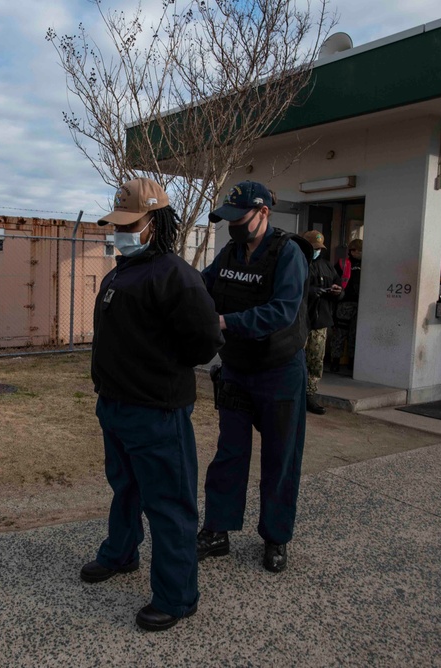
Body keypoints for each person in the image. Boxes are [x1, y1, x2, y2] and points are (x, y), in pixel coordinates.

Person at [81, 177, 224, 632]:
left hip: (158, 413)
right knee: (125, 488)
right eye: (117, 224)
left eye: (131, 223)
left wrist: (158, 370)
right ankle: (121, 554)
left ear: (155, 223)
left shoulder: (176, 276)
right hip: (116, 407)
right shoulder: (120, 271)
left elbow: (205, 342)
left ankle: (177, 596)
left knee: (169, 504)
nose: (120, 232)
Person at [197, 181, 312, 573]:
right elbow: (204, 286)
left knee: (280, 457)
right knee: (229, 453)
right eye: (228, 219)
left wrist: (225, 321)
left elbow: (282, 311)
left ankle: (276, 537)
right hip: (236, 370)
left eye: (239, 218)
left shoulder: (288, 254)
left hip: (279, 372)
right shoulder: (230, 252)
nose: (233, 226)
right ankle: (217, 530)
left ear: (264, 213)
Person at [301, 230, 343, 414]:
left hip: (320, 322)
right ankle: (294, 393)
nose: (317, 251)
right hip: (300, 322)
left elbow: (340, 289)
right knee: (296, 360)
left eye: (319, 248)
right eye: (314, 248)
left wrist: (337, 292)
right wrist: (310, 291)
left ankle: (310, 395)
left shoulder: (327, 266)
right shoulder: (298, 264)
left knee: (316, 361)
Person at [330, 238, 362, 374]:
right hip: (344, 304)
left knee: (354, 334)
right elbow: (335, 281)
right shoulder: (343, 264)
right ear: (353, 251)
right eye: (360, 251)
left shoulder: (367, 264)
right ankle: (334, 363)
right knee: (340, 334)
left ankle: (352, 363)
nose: (362, 254)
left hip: (360, 304)